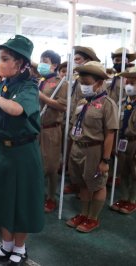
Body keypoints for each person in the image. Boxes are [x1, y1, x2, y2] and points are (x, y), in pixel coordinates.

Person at [0, 35, 44, 265]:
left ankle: (20, 248)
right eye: (0, 58)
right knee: (3, 200)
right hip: (3, 151)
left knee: (21, 202)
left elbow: (18, 109)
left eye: (5, 58)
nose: (0, 63)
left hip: (22, 154)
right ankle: (6, 246)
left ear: (20, 63)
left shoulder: (29, 86)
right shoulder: (3, 84)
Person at [66, 61, 118, 233]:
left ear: (99, 83)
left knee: (97, 184)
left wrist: (105, 160)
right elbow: (75, 125)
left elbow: (110, 133)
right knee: (83, 183)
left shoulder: (107, 104)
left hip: (94, 150)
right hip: (78, 148)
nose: (83, 86)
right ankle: (83, 213)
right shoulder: (82, 102)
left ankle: (93, 218)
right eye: (81, 83)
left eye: (87, 83)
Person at [65, 46, 100, 195]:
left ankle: (83, 188)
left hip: (85, 123)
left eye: (78, 60)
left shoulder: (92, 83)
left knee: (84, 159)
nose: (75, 63)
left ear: (88, 61)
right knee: (72, 155)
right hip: (73, 120)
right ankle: (75, 182)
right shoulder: (76, 79)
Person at [38, 50, 68, 213]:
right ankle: (39, 194)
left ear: (54, 65)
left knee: (51, 166)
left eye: (45, 61)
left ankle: (51, 198)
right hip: (37, 128)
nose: (41, 63)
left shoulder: (61, 83)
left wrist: (42, 97)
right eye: (41, 60)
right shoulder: (40, 81)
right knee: (38, 163)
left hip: (51, 129)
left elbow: (63, 106)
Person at [111, 67, 136, 214]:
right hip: (123, 140)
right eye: (128, 82)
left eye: (133, 83)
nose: (129, 86)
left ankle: (133, 200)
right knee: (123, 171)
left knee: (135, 172)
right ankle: (124, 197)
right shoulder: (122, 102)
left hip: (135, 141)